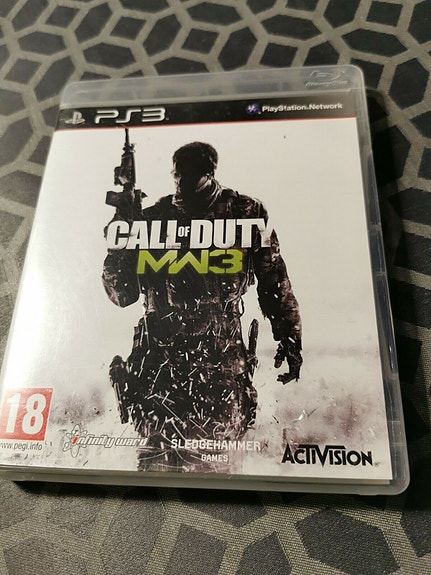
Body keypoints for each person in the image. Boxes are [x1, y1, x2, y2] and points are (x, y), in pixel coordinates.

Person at [102, 141, 302, 471]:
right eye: (179, 175)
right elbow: (121, 294)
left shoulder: (245, 212)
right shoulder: (152, 219)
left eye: (192, 175)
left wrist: (290, 337)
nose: (183, 184)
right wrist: (121, 228)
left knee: (215, 464)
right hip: (159, 366)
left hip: (218, 365)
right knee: (155, 467)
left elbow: (275, 280)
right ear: (173, 175)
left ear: (210, 173)